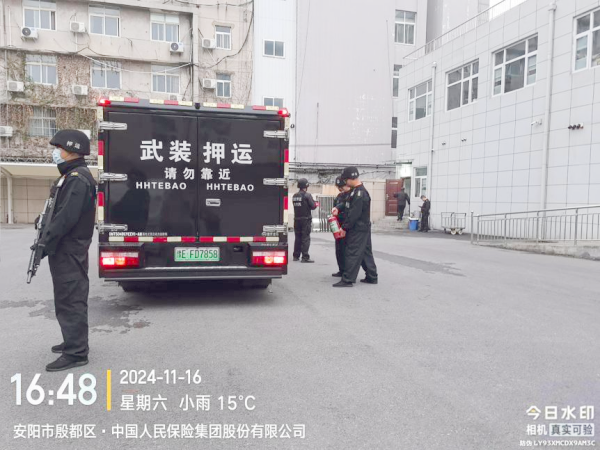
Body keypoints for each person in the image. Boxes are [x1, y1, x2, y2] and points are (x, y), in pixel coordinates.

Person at [39, 130, 97, 372]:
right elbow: (58, 211)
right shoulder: (72, 176)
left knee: (71, 298)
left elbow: (66, 218)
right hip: (66, 248)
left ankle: (76, 353)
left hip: (69, 248)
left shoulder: (77, 178)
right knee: (66, 297)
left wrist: (45, 243)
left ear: (72, 150)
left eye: (59, 148)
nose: (56, 152)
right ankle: (72, 341)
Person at [333, 167, 378, 287]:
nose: (345, 182)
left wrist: (344, 228)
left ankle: (347, 279)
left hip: (358, 228)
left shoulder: (360, 193)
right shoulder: (355, 191)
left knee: (352, 252)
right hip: (362, 227)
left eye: (345, 180)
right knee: (365, 252)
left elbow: (354, 214)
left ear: (351, 178)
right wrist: (338, 208)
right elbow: (346, 203)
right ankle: (372, 276)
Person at [292, 178, 317, 262]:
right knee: (305, 238)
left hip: (296, 219)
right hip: (305, 220)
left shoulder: (294, 196)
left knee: (298, 238)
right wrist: (315, 203)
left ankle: (296, 256)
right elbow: (313, 206)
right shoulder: (307, 195)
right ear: (306, 186)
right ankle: (305, 257)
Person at [331, 177, 352, 277]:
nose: (340, 189)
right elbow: (335, 207)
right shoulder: (339, 196)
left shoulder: (351, 195)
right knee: (339, 249)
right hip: (338, 225)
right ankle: (341, 269)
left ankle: (347, 271)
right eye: (338, 187)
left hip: (346, 226)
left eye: (341, 186)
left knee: (346, 250)